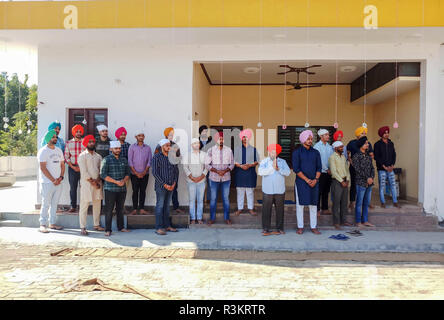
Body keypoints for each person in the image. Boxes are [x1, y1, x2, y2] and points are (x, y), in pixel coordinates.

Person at [292, 130, 322, 235]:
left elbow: (319, 167)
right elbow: (296, 169)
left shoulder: (316, 152)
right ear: (303, 139)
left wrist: (316, 180)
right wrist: (307, 180)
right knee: (300, 205)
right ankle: (300, 227)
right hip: (301, 182)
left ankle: (313, 227)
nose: (310, 141)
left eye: (311, 139)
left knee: (313, 205)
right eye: (308, 139)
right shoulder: (297, 152)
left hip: (314, 182)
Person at [100, 140, 131, 236]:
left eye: (119, 148)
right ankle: (108, 229)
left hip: (122, 189)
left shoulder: (124, 160)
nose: (118, 150)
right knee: (109, 209)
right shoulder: (106, 160)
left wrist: (123, 181)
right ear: (111, 149)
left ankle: (121, 227)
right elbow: (103, 175)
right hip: (110, 189)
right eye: (116, 148)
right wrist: (116, 182)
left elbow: (128, 173)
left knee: (120, 209)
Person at [258, 144, 290, 236]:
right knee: (266, 210)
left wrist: (278, 169)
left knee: (280, 210)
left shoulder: (282, 162)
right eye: (271, 152)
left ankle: (280, 228)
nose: (273, 153)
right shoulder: (264, 161)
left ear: (277, 153)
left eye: (275, 152)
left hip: (279, 190)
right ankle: (265, 228)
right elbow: (260, 172)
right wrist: (271, 168)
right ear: (269, 152)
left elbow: (287, 172)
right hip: (267, 190)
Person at [37, 130, 65, 233]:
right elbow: (43, 168)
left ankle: (52, 223)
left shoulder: (58, 150)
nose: (55, 139)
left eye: (56, 137)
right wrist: (53, 180)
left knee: (55, 204)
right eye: (53, 137)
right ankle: (42, 224)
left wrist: (61, 177)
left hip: (58, 182)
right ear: (48, 138)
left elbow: (62, 165)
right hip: (47, 183)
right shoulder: (43, 151)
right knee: (46, 203)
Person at [77, 135, 105, 235]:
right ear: (86, 143)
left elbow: (101, 170)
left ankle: (96, 225)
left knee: (97, 204)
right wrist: (93, 182)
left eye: (93, 141)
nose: (92, 143)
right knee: (84, 205)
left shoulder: (98, 156)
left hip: (98, 184)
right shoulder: (82, 156)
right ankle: (83, 227)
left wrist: (98, 181)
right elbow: (83, 172)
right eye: (89, 142)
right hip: (87, 184)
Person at [205, 131, 235, 225]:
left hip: (226, 178)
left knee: (226, 198)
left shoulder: (229, 150)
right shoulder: (210, 150)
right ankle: (212, 218)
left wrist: (225, 171)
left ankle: (227, 218)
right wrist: (217, 171)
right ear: (215, 140)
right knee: (213, 199)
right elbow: (207, 164)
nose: (221, 140)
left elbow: (232, 164)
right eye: (219, 138)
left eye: (222, 138)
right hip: (214, 178)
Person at [151, 139, 179, 235]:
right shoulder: (156, 157)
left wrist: (174, 183)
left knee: (167, 207)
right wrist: (164, 184)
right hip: (161, 187)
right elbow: (154, 172)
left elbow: (176, 171)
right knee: (160, 206)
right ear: (162, 147)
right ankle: (159, 227)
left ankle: (167, 226)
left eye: (169, 145)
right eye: (167, 145)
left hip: (171, 185)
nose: (169, 147)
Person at [155, 127, 184, 213]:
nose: (172, 136)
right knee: (163, 190)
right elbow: (156, 157)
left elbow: (179, 157)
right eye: (170, 135)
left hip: (173, 171)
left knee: (174, 188)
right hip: (163, 172)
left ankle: (176, 207)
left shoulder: (175, 145)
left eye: (173, 135)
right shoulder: (160, 145)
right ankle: (162, 209)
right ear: (166, 135)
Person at [347, 126, 374, 210]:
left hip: (365, 168)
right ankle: (352, 202)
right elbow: (347, 153)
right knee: (354, 184)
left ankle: (367, 202)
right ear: (358, 134)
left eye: (365, 133)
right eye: (362, 133)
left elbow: (371, 155)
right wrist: (350, 160)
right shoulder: (352, 143)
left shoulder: (368, 143)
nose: (364, 134)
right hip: (354, 167)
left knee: (366, 184)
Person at [234, 129, 259, 217]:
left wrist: (250, 165)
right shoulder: (237, 149)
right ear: (241, 138)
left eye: (246, 137)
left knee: (250, 192)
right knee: (240, 192)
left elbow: (257, 161)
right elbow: (234, 161)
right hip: (240, 173)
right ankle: (240, 208)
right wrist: (241, 166)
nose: (245, 139)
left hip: (250, 173)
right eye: (243, 137)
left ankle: (250, 209)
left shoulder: (254, 149)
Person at [352, 136, 375, 228]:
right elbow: (358, 170)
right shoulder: (356, 156)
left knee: (366, 203)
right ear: (361, 145)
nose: (367, 144)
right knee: (359, 203)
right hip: (361, 183)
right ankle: (358, 221)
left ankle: (365, 221)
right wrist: (367, 178)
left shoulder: (368, 157)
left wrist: (371, 178)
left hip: (369, 183)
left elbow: (372, 168)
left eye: (367, 143)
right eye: (365, 143)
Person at [183, 138, 207, 224]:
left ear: (199, 145)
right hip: (191, 181)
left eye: (197, 143)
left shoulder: (204, 154)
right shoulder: (187, 155)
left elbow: (207, 167)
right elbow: (185, 167)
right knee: (192, 200)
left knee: (200, 200)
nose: (196, 145)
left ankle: (199, 218)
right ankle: (193, 218)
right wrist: (192, 177)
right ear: (191, 145)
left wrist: (201, 177)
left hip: (201, 181)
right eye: (194, 143)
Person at [128, 129, 152, 215]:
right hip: (134, 174)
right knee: (135, 191)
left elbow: (149, 161)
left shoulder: (148, 148)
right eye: (139, 136)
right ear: (136, 137)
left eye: (142, 135)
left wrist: (144, 172)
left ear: (144, 137)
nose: (141, 137)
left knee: (143, 191)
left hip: (145, 174)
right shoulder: (132, 147)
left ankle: (141, 208)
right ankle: (134, 209)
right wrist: (136, 172)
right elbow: (130, 161)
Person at [329, 141, 353, 230]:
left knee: (344, 202)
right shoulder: (332, 157)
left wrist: (347, 180)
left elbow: (347, 169)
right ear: (335, 148)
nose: (342, 148)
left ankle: (344, 220)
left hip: (345, 181)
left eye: (342, 147)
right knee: (336, 203)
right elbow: (334, 172)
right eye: (340, 147)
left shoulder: (343, 157)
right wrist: (341, 181)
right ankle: (336, 222)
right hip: (337, 182)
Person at [64, 124, 85, 212]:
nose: (79, 133)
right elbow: (66, 157)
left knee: (84, 187)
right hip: (72, 168)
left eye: (80, 132)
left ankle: (84, 206)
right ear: (74, 133)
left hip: (83, 168)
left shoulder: (85, 142)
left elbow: (87, 156)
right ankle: (73, 206)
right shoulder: (69, 143)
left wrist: (81, 167)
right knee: (73, 187)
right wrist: (73, 167)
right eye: (77, 132)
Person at [313, 128, 333, 215]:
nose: (328, 136)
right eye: (326, 135)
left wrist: (331, 169)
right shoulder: (317, 146)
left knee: (326, 191)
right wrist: (326, 169)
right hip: (320, 172)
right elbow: (318, 160)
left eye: (328, 135)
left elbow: (331, 159)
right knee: (319, 191)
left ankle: (325, 208)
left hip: (329, 173)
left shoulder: (329, 146)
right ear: (321, 136)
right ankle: (317, 209)